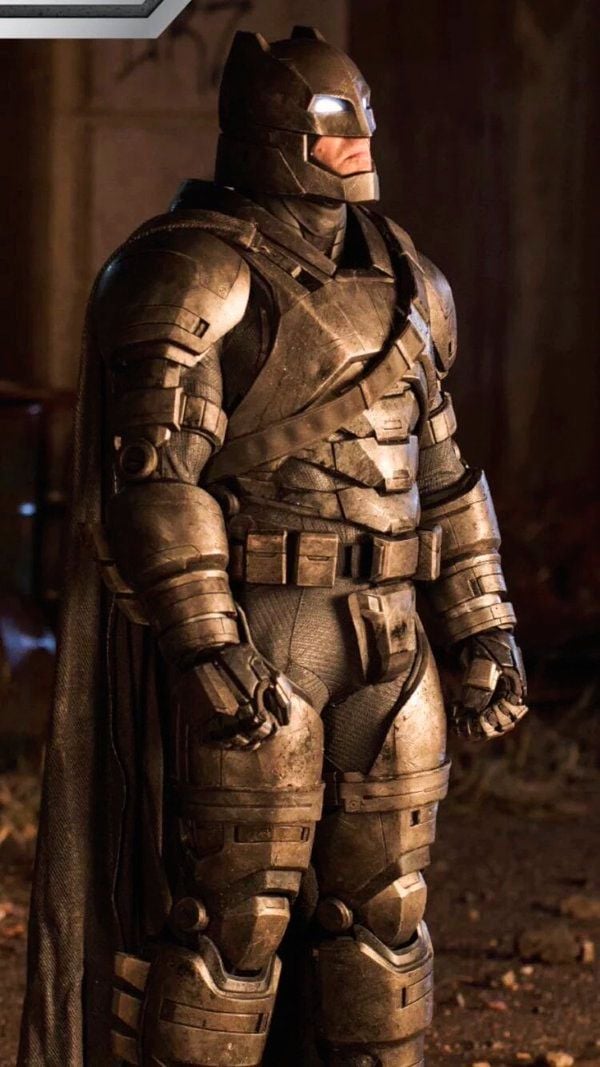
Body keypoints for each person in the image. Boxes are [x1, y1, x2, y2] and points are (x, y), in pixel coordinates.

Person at [19, 25, 528, 1067]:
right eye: (336, 122)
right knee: (229, 933)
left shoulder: (412, 281)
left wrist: (485, 625)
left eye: (364, 120)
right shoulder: (188, 271)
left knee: (385, 923)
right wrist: (208, 643)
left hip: (393, 643)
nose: (359, 141)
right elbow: (156, 481)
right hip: (270, 638)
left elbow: (440, 474)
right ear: (275, 131)